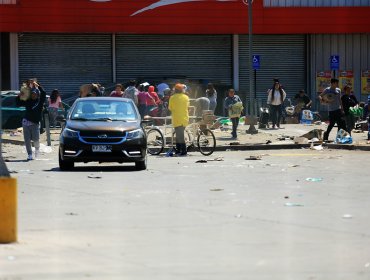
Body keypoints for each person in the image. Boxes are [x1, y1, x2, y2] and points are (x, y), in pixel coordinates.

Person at [16, 80, 46, 160]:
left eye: (35, 94)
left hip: (35, 123)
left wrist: (38, 86)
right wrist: (19, 96)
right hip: (26, 123)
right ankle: (29, 154)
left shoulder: (40, 102)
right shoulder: (28, 101)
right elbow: (18, 104)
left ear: (37, 94)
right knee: (27, 140)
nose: (33, 95)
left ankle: (36, 151)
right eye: (32, 93)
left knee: (36, 139)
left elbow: (44, 93)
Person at [168, 83, 190, 156]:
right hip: (184, 118)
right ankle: (178, 150)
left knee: (180, 136)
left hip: (176, 119)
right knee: (178, 135)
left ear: (175, 90)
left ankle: (184, 151)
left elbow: (170, 108)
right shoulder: (186, 97)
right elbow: (188, 106)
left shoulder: (172, 97)